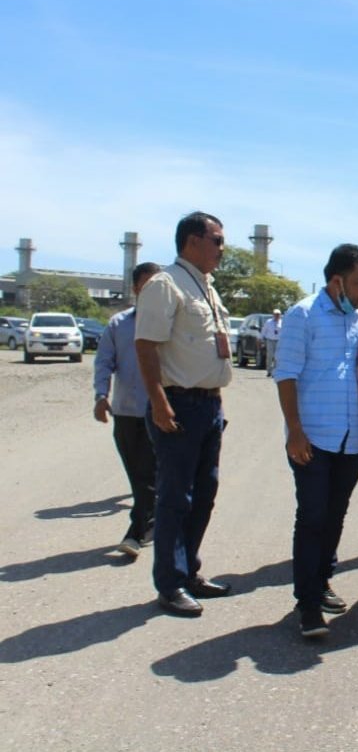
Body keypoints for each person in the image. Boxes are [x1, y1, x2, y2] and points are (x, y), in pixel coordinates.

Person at [135, 211, 233, 618]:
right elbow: (145, 345)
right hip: (179, 405)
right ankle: (170, 583)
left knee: (204, 494)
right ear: (193, 241)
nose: (222, 249)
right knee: (176, 498)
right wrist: (159, 402)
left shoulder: (206, 285)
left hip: (208, 405)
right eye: (217, 240)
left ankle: (188, 571)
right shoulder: (165, 284)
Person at [274, 244, 358, 639]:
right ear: (336, 281)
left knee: (334, 516)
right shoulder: (302, 315)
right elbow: (286, 374)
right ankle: (308, 604)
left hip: (352, 438)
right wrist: (295, 431)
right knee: (312, 517)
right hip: (313, 438)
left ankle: (322, 579)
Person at [94, 261, 161, 558]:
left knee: (148, 474)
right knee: (138, 473)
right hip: (126, 411)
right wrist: (101, 395)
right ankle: (152, 522)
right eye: (147, 286)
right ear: (135, 289)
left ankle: (136, 532)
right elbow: (104, 361)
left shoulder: (172, 323)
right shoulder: (119, 324)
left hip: (160, 412)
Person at [261, 308, 282, 377]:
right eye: (276, 314)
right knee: (270, 356)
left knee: (277, 356)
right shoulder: (269, 322)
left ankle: (275, 371)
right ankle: (269, 371)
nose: (277, 316)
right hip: (270, 340)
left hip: (278, 341)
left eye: (278, 314)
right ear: (273, 315)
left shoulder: (282, 322)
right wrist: (261, 338)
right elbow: (264, 330)